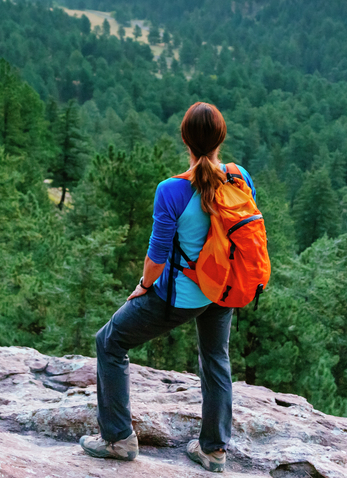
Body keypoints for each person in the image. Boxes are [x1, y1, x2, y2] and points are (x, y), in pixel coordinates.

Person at [79, 102, 253, 474]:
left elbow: (157, 256)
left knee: (109, 341)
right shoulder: (240, 177)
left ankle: (118, 440)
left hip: (182, 296)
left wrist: (143, 286)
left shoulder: (172, 190)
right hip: (222, 292)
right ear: (222, 139)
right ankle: (213, 451)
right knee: (216, 360)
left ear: (184, 139)